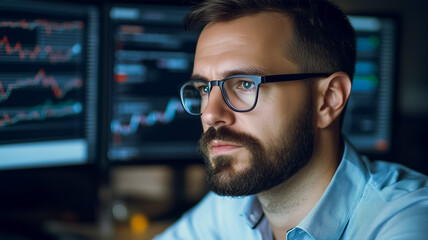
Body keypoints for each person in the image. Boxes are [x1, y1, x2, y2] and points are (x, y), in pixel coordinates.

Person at [155, 0, 428, 239]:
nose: (211, 114)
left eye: (245, 84)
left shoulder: (407, 220)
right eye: (204, 88)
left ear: (328, 99)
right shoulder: (232, 206)